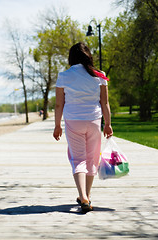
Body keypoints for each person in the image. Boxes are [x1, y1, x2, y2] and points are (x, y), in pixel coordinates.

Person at [53, 42, 113, 213]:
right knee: (92, 158)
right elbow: (105, 102)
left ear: (71, 57)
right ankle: (86, 195)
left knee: (78, 159)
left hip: (73, 121)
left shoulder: (64, 75)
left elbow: (59, 104)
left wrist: (57, 126)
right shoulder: (99, 75)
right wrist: (108, 124)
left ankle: (83, 196)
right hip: (94, 120)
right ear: (88, 56)